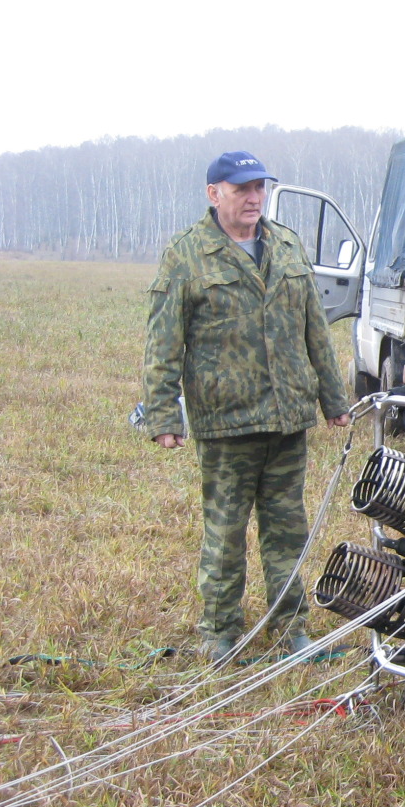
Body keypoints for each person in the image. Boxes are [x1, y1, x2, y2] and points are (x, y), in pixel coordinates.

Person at [141, 151, 350, 662]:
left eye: (259, 187)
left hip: (287, 418)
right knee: (225, 532)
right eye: (242, 189)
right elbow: (163, 341)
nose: (254, 198)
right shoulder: (187, 255)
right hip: (227, 422)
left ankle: (291, 626)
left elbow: (316, 331)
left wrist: (333, 399)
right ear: (214, 194)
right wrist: (164, 415)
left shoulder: (287, 246)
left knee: (288, 531)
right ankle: (220, 632)